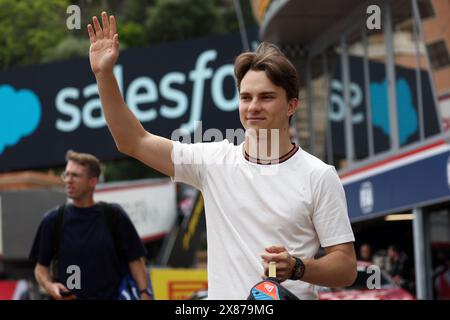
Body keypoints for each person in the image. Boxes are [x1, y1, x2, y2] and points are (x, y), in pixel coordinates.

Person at [87, 12, 356, 299]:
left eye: (266, 97)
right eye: (245, 97)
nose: (253, 106)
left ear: (291, 105)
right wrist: (104, 75)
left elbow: (346, 267)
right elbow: (132, 141)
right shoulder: (213, 161)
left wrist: (297, 268)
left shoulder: (318, 175)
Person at [29, 150, 152, 300]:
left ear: (93, 181)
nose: (68, 180)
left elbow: (135, 259)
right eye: (66, 174)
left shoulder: (114, 215)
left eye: (75, 175)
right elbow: (40, 268)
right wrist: (50, 286)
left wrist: (144, 292)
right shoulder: (52, 219)